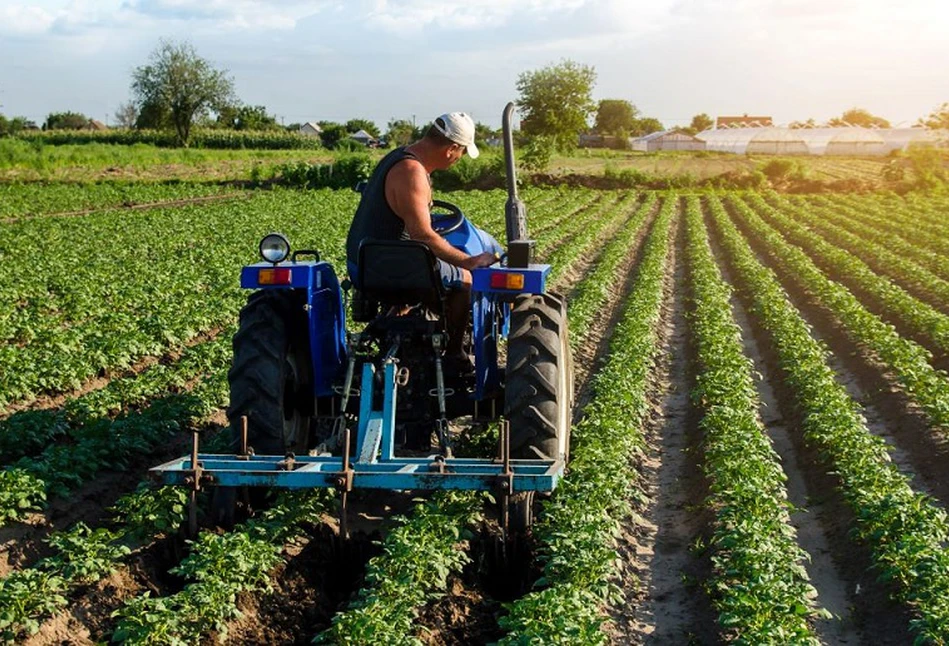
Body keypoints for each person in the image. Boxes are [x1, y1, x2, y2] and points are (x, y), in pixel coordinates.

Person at [346, 112, 500, 365]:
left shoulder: (397, 157)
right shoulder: (412, 172)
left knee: (425, 268)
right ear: (452, 149)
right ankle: (454, 353)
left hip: (363, 263)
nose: (459, 159)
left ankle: (400, 316)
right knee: (465, 280)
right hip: (392, 264)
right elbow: (422, 234)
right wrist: (469, 261)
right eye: (461, 153)